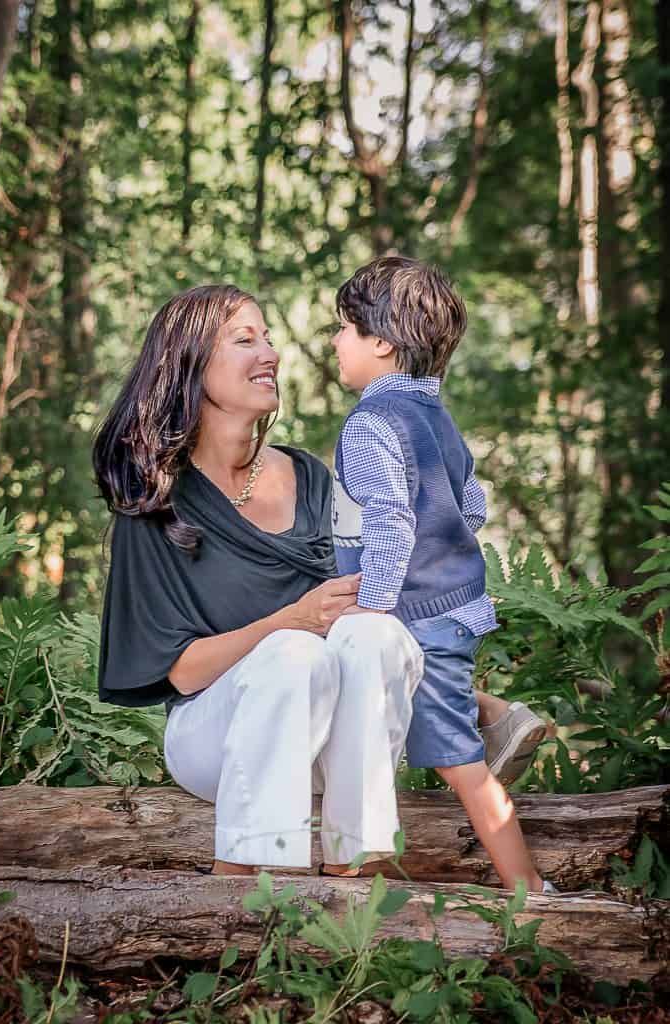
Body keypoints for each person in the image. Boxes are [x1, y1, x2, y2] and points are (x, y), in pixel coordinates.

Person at [93, 284, 426, 878]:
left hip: (331, 737)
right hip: (215, 735)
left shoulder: (312, 477)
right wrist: (289, 622)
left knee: (378, 634)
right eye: (245, 340)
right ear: (191, 364)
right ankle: (243, 888)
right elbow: (181, 671)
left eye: (268, 338)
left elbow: (364, 616)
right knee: (293, 652)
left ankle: (352, 871)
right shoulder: (154, 500)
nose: (269, 353)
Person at [330, 256, 554, 894]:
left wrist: (373, 608)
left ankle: (529, 890)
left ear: (381, 343)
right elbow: (471, 505)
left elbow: (392, 522)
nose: (336, 341)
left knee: (461, 764)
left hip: (414, 616)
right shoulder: (436, 418)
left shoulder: (370, 424)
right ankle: (496, 714)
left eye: (344, 327)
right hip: (450, 607)